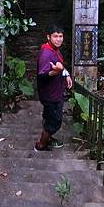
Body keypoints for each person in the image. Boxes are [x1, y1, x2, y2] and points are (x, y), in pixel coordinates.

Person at [34, 24, 73, 152]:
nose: (58, 39)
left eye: (60, 36)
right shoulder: (46, 54)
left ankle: (47, 139)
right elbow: (42, 76)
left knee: (49, 117)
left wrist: (65, 74)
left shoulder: (54, 49)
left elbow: (60, 65)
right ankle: (40, 145)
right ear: (48, 37)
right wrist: (54, 72)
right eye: (55, 36)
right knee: (54, 121)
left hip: (55, 92)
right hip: (50, 95)